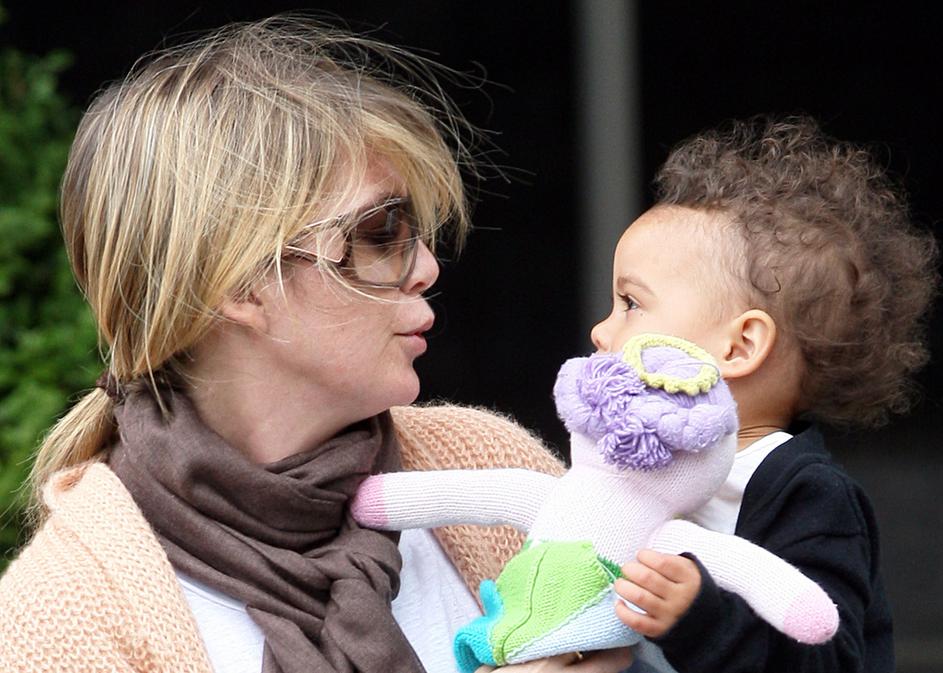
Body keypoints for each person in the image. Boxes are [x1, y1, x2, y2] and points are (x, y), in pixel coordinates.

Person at [0, 17, 630, 673]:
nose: (425, 267)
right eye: (381, 231)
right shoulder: (56, 620)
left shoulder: (487, 468)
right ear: (241, 285)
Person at [592, 116, 939, 673]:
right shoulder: (633, 467)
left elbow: (830, 660)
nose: (600, 331)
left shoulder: (809, 497)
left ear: (739, 346)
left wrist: (701, 621)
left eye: (631, 304)